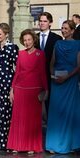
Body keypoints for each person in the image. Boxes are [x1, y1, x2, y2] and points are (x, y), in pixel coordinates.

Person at [7, 29, 48, 154]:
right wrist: (12, 90)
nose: (27, 42)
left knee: (33, 120)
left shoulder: (40, 54)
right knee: (18, 120)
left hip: (34, 92)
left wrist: (46, 90)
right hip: (20, 90)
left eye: (29, 39)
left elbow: (42, 73)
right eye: (24, 40)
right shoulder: (20, 54)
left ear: (34, 40)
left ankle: (32, 146)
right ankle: (17, 145)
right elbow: (17, 73)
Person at [46, 20, 80, 154]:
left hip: (70, 82)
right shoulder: (58, 43)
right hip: (57, 82)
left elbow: (79, 65)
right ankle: (53, 145)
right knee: (55, 113)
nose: (63, 30)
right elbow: (52, 62)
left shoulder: (78, 44)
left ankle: (69, 145)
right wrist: (52, 75)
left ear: (72, 30)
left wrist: (66, 77)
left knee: (69, 113)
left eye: (66, 28)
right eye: (62, 28)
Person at [36, 12, 62, 125]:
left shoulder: (57, 38)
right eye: (40, 21)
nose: (42, 23)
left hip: (51, 75)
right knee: (36, 102)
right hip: (36, 76)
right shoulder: (34, 37)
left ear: (50, 23)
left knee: (51, 102)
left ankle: (51, 127)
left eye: (45, 21)